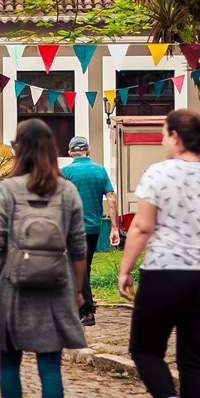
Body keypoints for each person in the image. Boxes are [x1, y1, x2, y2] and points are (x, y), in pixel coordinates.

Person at [117, 109, 200, 398]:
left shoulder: (158, 174)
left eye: (163, 133)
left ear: (175, 136)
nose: (162, 140)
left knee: (145, 350)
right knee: (196, 363)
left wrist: (125, 268)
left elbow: (142, 227)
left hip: (164, 274)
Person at [0, 119, 88, 398]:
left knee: (10, 363)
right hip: (56, 284)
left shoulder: (6, 190)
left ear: (19, 150)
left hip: (11, 286)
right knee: (50, 367)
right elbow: (78, 248)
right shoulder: (67, 191)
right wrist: (78, 291)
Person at [61, 136, 120, 327]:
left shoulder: (65, 172)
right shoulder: (100, 170)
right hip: (94, 228)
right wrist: (114, 227)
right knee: (84, 266)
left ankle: (87, 311)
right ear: (87, 150)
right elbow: (111, 198)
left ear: (70, 152)